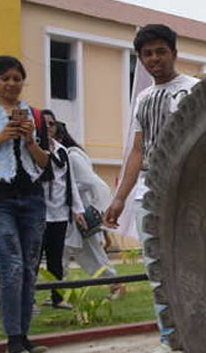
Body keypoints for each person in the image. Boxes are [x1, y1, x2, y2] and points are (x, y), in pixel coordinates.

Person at [103, 24, 199, 352]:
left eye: (160, 51)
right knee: (157, 271)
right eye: (147, 54)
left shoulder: (195, 90)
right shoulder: (143, 98)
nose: (154, 58)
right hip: (148, 195)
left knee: (190, 265)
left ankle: (200, 332)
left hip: (187, 193)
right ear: (140, 59)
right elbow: (137, 151)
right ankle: (169, 339)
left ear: (174, 52)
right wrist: (119, 199)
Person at [0, 56, 51, 353]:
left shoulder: (34, 114)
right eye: (5, 78)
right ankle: (13, 338)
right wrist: (2, 136)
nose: (12, 84)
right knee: (11, 265)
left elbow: (45, 163)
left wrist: (30, 141)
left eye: (17, 78)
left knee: (29, 266)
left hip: (32, 197)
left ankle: (24, 335)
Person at [52, 121, 124, 299]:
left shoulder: (72, 156)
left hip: (80, 215)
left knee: (92, 254)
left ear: (60, 138)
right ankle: (58, 293)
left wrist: (67, 188)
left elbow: (90, 182)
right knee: (62, 253)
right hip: (69, 215)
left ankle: (115, 284)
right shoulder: (63, 157)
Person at [39, 110, 87, 309]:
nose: (48, 127)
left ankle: (57, 298)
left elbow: (70, 183)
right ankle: (28, 300)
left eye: (51, 124)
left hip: (59, 213)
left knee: (55, 259)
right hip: (38, 214)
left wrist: (77, 209)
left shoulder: (62, 151)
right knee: (32, 260)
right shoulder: (32, 148)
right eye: (44, 124)